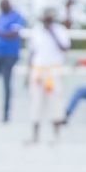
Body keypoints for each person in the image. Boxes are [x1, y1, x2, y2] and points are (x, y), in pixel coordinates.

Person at [25, 8, 70, 144]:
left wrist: (52, 33)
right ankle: (35, 136)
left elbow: (65, 47)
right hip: (38, 71)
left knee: (55, 102)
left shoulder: (60, 30)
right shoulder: (37, 31)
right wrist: (28, 73)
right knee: (36, 103)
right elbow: (32, 53)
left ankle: (56, 136)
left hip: (53, 72)